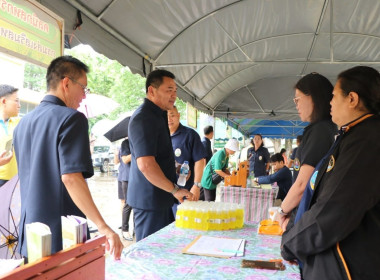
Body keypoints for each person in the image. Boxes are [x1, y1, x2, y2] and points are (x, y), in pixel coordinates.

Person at [13, 55, 123, 260]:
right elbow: (71, 178)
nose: (84, 96)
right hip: (61, 233)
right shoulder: (72, 119)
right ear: (66, 83)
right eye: (83, 88)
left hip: (30, 234)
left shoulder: (22, 124)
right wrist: (103, 227)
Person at [281, 66, 380, 280]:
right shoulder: (351, 135)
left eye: (334, 96)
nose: (331, 102)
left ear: (352, 99)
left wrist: (291, 242)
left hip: (349, 264)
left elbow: (333, 210)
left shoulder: (366, 140)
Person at [127, 69, 193, 242]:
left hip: (162, 199)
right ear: (151, 91)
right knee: (149, 255)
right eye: (168, 90)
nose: (173, 95)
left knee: (164, 251)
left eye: (175, 91)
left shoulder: (160, 115)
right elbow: (146, 165)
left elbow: (157, 156)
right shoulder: (143, 118)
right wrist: (175, 190)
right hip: (149, 201)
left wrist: (176, 167)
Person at [278, 73, 337, 231]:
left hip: (310, 220)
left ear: (314, 97)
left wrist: (282, 211)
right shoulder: (327, 128)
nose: (296, 105)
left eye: (297, 99)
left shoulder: (320, 131)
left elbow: (303, 184)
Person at [168, 105, 206, 206]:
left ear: (178, 115)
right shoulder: (160, 136)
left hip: (186, 192)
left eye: (172, 115)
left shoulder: (190, 135)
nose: (169, 119)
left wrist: (197, 186)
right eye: (166, 116)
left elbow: (200, 160)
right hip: (166, 191)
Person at [0, 84, 20, 187]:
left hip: (14, 181)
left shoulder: (20, 123)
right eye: (16, 100)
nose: (19, 105)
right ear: (4, 101)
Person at [114, 138, 133, 241]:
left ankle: (134, 229)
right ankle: (125, 229)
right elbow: (124, 160)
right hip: (125, 177)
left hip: (134, 177)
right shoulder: (125, 143)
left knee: (135, 204)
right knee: (127, 203)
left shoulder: (136, 141)